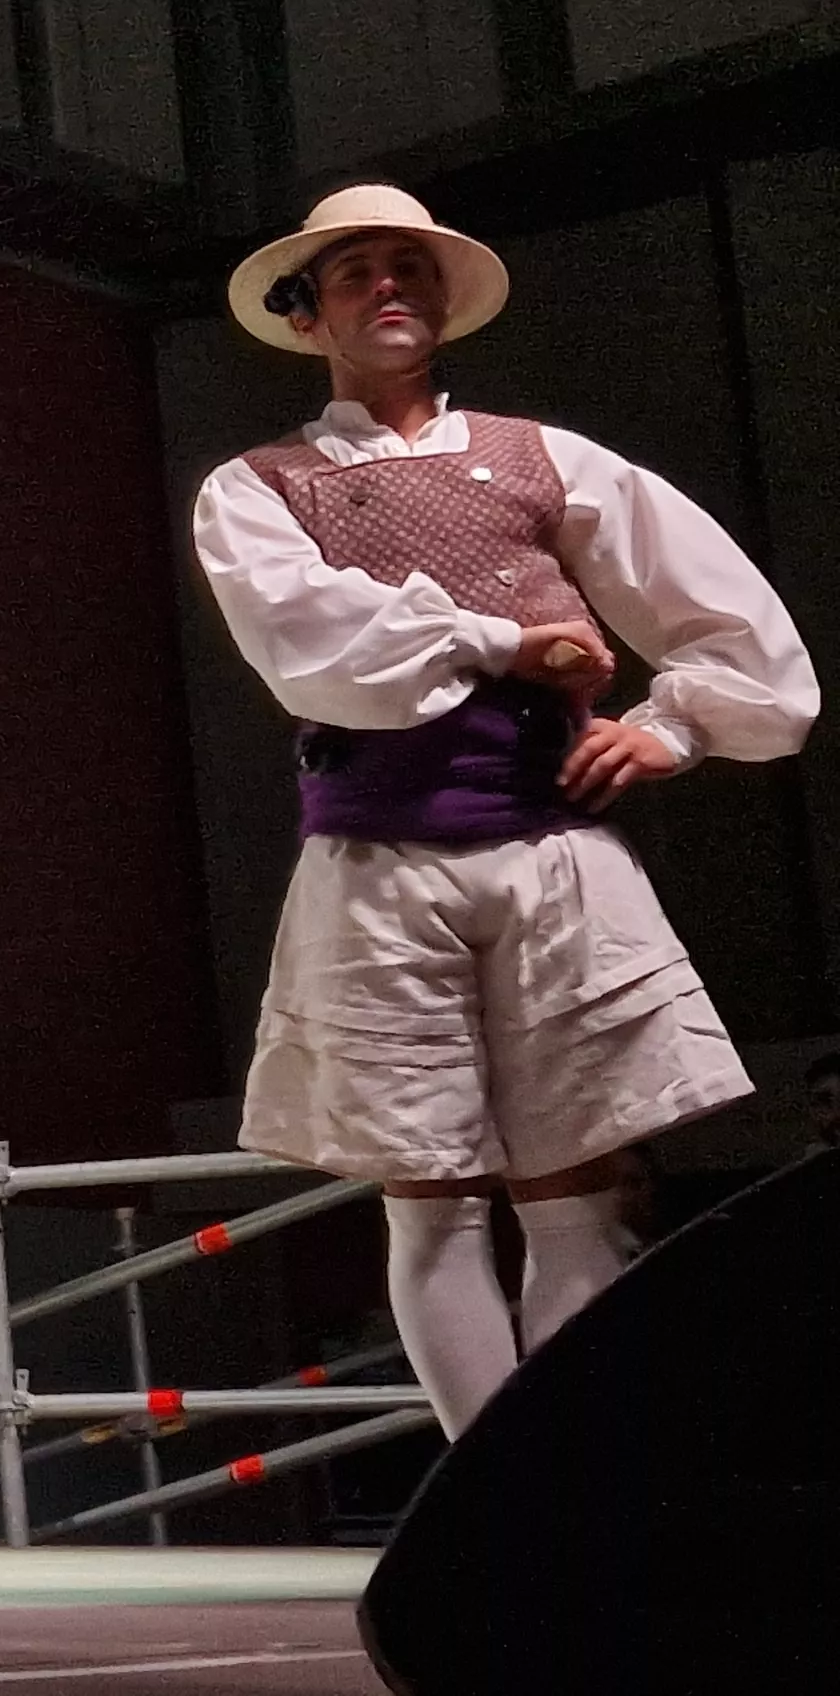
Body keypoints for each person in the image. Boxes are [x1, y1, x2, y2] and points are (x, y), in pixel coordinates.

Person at [193, 184, 815, 1438]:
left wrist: (668, 724)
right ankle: (490, 1495)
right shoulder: (256, 485)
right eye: (359, 270)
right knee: (429, 1198)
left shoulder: (545, 457)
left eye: (409, 268)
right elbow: (311, 645)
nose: (390, 288)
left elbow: (722, 618)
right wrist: (506, 643)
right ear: (307, 310)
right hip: (377, 865)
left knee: (572, 1192)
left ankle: (568, 1484)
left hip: (548, 850)